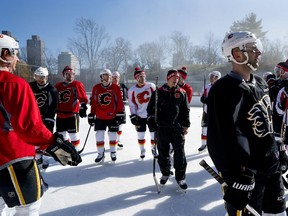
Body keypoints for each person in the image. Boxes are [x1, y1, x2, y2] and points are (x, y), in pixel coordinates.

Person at [0, 34, 81, 215]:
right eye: (14, 53)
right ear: (5, 54)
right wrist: (54, 144)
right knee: (28, 209)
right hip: (13, 158)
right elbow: (29, 127)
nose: (17, 59)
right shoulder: (15, 84)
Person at [207, 31, 286, 215]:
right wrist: (235, 177)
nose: (259, 52)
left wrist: (278, 150)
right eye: (253, 48)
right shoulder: (223, 90)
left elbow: (267, 123)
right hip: (248, 177)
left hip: (271, 169)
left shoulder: (260, 83)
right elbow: (219, 141)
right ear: (237, 54)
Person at [147, 69, 190, 190]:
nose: (176, 79)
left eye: (178, 77)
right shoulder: (158, 92)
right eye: (173, 77)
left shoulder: (182, 92)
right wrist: (151, 121)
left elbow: (185, 110)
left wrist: (186, 125)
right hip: (162, 128)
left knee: (180, 154)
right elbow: (150, 110)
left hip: (177, 128)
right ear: (168, 78)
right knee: (163, 153)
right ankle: (165, 173)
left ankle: (180, 177)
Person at [88, 69, 125, 163]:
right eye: (105, 75)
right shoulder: (96, 88)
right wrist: (92, 114)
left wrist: (120, 114)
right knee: (99, 135)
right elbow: (94, 102)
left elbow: (119, 102)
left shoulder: (115, 87)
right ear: (101, 77)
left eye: (109, 75)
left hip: (112, 116)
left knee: (113, 135)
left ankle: (113, 151)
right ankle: (100, 153)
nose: (108, 77)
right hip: (100, 116)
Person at [29, 67, 58, 170]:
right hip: (34, 118)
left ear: (46, 77)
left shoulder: (52, 89)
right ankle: (38, 157)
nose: (41, 80)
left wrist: (50, 118)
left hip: (47, 118)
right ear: (35, 77)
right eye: (38, 77)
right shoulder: (30, 86)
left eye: (43, 77)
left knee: (46, 140)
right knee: (35, 139)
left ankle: (45, 159)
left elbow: (53, 106)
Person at [55, 66, 88, 151]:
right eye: (67, 74)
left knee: (73, 134)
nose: (70, 76)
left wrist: (83, 106)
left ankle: (75, 150)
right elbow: (54, 98)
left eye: (72, 74)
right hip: (60, 114)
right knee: (62, 135)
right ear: (63, 75)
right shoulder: (58, 86)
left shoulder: (76, 84)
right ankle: (68, 150)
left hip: (72, 114)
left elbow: (82, 96)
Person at [128, 67, 157, 159]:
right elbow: (132, 104)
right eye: (140, 76)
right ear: (136, 78)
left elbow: (157, 99)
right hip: (140, 116)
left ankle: (154, 148)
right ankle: (142, 150)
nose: (142, 78)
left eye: (144, 76)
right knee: (141, 134)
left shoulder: (151, 86)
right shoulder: (132, 90)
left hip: (151, 115)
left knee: (154, 134)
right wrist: (133, 115)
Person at [198, 70, 221, 152]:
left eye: (212, 76)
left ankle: (216, 144)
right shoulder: (206, 86)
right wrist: (203, 99)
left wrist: (209, 101)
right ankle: (204, 144)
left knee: (215, 129)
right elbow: (202, 96)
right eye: (210, 76)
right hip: (206, 111)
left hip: (216, 112)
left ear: (217, 77)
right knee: (204, 128)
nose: (210, 78)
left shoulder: (220, 87)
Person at [112, 71, 128, 149]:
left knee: (120, 126)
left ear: (119, 78)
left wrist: (126, 99)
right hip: (111, 110)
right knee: (112, 127)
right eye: (113, 77)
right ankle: (113, 140)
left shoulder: (122, 86)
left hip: (121, 110)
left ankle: (118, 140)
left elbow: (128, 94)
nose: (115, 79)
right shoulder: (109, 86)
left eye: (116, 77)